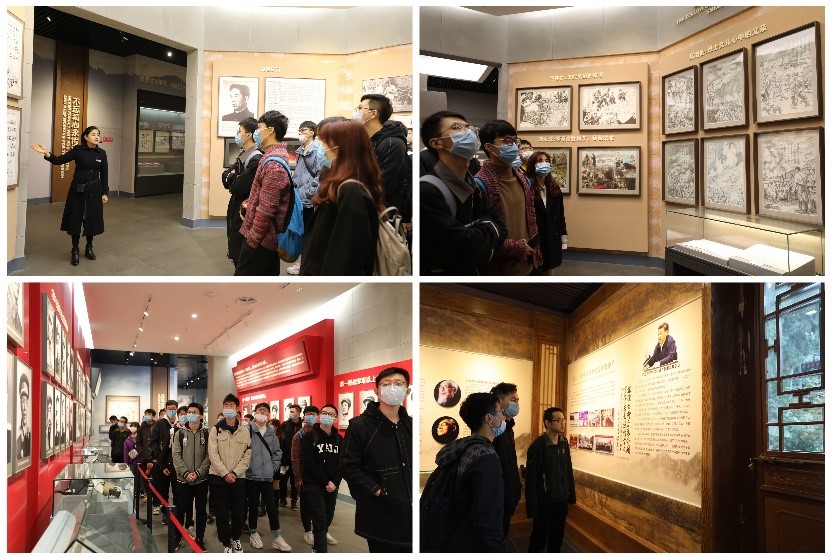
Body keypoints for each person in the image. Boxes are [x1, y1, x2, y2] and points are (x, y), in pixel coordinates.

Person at [420, 111, 506, 275]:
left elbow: (502, 228)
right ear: (436, 143)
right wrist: (487, 227)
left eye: (469, 128)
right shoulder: (427, 191)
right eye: (456, 128)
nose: (468, 133)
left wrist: (480, 241)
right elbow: (464, 247)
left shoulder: (475, 185)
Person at [341, 367, 413, 552]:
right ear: (377, 391)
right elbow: (348, 466)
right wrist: (377, 490)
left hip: (410, 513)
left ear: (407, 391)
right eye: (386, 384)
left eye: (399, 383)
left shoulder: (410, 424)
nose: (392, 388)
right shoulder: (360, 425)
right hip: (380, 513)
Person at [300, 119, 384, 275]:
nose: (320, 147)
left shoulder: (351, 190)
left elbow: (344, 254)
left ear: (342, 148)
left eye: (324, 142)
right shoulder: (338, 182)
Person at [428, 392, 507, 552]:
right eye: (500, 412)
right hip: (472, 542)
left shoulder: (464, 447)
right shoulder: (486, 456)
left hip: (454, 535)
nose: (504, 417)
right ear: (489, 418)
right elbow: (487, 516)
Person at [31, 126, 109, 266]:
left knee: (91, 218)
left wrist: (105, 192)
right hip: (78, 189)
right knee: (75, 218)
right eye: (93, 134)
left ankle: (89, 247)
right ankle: (75, 249)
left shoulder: (102, 153)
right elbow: (59, 160)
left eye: (98, 134)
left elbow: (104, 174)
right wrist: (46, 153)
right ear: (86, 137)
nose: (97, 136)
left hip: (95, 190)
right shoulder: (78, 150)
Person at [476, 120, 542, 275]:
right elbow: (481, 236)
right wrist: (515, 248)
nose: (513, 146)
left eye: (515, 141)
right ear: (489, 147)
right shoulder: (480, 184)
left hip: (531, 265)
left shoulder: (523, 179)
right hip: (501, 270)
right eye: (507, 141)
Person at [236, 110, 293, 276]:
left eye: (259, 128)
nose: (256, 132)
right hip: (264, 238)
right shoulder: (270, 157)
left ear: (270, 130)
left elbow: (267, 209)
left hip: (262, 240)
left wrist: (253, 239)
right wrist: (249, 203)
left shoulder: (274, 165)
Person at [355, 94, 411, 224]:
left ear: (373, 114)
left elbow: (383, 183)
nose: (356, 112)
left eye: (360, 108)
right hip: (362, 207)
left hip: (381, 214)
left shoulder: (393, 143)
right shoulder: (365, 140)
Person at [525, 407, 575, 553]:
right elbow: (531, 478)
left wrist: (571, 495)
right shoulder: (538, 446)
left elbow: (568, 470)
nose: (563, 423)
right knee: (539, 537)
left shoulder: (564, 442)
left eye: (563, 420)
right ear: (547, 423)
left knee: (557, 536)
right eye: (558, 420)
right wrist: (532, 507)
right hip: (545, 501)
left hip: (561, 499)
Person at [208, 393, 252, 553]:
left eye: (231, 406)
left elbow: (247, 454)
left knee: (239, 513)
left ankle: (236, 539)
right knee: (221, 514)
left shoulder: (244, 431)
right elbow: (213, 454)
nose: (228, 408)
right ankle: (226, 543)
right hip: (218, 478)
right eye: (226, 405)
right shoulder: (215, 430)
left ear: (237, 408)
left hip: (238, 479)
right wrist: (225, 473)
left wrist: (234, 472)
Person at [245, 402, 292, 551]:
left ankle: (277, 537)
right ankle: (253, 533)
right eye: (260, 410)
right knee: (253, 507)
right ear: (255, 412)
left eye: (265, 411)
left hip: (267, 477)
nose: (262, 413)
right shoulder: (247, 430)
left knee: (272, 507)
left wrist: (272, 468)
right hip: (251, 476)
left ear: (268, 414)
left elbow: (277, 452)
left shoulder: (271, 432)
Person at [300, 403, 343, 553]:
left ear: (336, 418)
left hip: (332, 486)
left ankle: (317, 546)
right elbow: (309, 462)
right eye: (324, 413)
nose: (327, 416)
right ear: (319, 416)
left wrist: (335, 482)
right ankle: (320, 550)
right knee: (320, 520)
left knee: (328, 518)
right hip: (314, 484)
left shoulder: (339, 439)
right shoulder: (310, 436)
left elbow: (342, 464)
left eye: (331, 414)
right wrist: (326, 481)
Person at [223, 117, 263, 267]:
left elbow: (237, 187)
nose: (237, 135)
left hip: (244, 209)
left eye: (239, 131)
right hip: (235, 205)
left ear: (248, 135)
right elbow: (225, 176)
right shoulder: (243, 155)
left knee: (241, 248)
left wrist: (232, 178)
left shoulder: (255, 158)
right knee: (234, 241)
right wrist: (232, 177)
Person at [172, 402, 210, 552]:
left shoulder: (207, 433)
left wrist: (199, 472)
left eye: (194, 412)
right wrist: (186, 473)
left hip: (201, 480)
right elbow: (176, 456)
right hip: (183, 480)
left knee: (201, 511)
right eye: (189, 412)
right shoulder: (180, 433)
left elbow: (209, 456)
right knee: (180, 510)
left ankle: (200, 538)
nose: (191, 414)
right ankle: (177, 537)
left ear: (200, 415)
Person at [287, 120, 323, 275]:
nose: (301, 133)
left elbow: (320, 175)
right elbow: (299, 173)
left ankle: (305, 264)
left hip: (309, 200)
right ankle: (303, 263)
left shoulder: (317, 151)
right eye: (299, 130)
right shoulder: (301, 151)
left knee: (309, 234)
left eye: (304, 130)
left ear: (312, 132)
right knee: (302, 232)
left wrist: (309, 192)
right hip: (299, 199)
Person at [525, 151, 568, 275]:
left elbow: (560, 215)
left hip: (552, 236)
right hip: (536, 237)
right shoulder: (527, 187)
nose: (544, 164)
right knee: (535, 270)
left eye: (547, 161)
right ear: (532, 165)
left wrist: (564, 237)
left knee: (551, 267)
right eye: (540, 161)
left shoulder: (554, 188)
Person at [491, 382, 522, 540]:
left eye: (517, 400)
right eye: (513, 400)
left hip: (508, 499)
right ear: (500, 402)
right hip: (499, 501)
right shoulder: (495, 431)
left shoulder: (507, 428)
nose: (517, 404)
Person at [148, 400, 179, 523]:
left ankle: (177, 515)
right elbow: (153, 441)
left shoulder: (180, 424)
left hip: (177, 463)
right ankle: (166, 513)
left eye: (174, 408)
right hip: (162, 463)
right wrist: (160, 457)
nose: (171, 410)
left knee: (177, 491)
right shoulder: (159, 424)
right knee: (163, 490)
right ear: (165, 409)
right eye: (169, 408)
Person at [292, 405, 319, 546]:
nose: (310, 416)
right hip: (305, 476)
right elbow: (295, 458)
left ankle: (321, 530)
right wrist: (298, 477)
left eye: (313, 414)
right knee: (306, 505)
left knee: (321, 505)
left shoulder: (322, 432)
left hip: (321, 476)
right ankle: (308, 531)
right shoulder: (299, 436)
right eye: (308, 414)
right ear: (304, 416)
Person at [279, 404, 302, 510]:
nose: (290, 413)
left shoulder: (302, 425)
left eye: (292, 412)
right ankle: (282, 500)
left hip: (297, 460)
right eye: (290, 411)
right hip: (285, 459)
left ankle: (294, 501)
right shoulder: (285, 424)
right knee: (283, 480)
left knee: (295, 481)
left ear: (298, 413)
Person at [137, 409, 157, 500]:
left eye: (149, 414)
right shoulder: (141, 427)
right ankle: (147, 494)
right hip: (144, 457)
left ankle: (155, 497)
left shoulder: (157, 426)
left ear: (153, 416)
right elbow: (138, 442)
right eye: (145, 414)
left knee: (155, 478)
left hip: (155, 457)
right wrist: (141, 452)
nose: (147, 415)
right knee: (145, 477)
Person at [124, 421, 141, 507]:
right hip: (132, 462)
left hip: (141, 461)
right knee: (134, 478)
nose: (133, 428)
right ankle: (134, 492)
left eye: (135, 426)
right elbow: (125, 452)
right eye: (131, 426)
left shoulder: (141, 437)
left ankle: (142, 492)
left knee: (141, 478)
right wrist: (126, 463)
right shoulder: (128, 439)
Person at [16, 372, 31, 458]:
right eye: (23, 401)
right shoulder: (16, 438)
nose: (25, 407)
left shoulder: (30, 436)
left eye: (27, 401)